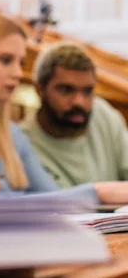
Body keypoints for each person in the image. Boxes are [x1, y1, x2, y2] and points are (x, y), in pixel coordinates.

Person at [0, 13, 128, 203]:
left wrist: (99, 192)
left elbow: (52, 196)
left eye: (21, 62)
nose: (18, 73)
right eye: (6, 60)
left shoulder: (11, 133)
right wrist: (98, 191)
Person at [20, 43, 128, 188]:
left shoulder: (104, 114)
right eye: (66, 90)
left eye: (87, 91)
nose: (79, 102)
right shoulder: (23, 144)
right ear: (40, 90)